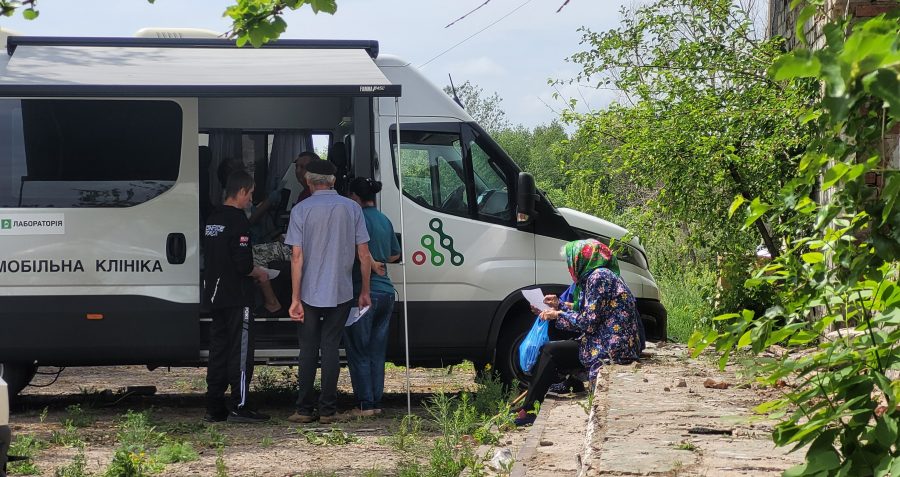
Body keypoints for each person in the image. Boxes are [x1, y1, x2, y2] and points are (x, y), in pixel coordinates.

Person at [515, 239, 643, 426]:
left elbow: (588, 322)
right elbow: (588, 310)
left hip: (611, 347)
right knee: (555, 347)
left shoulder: (598, 278)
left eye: (570, 262)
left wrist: (557, 315)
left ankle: (529, 410)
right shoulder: (599, 275)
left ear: (581, 260)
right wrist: (558, 305)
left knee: (550, 351)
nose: (569, 268)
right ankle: (534, 404)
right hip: (608, 340)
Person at [284, 159, 373, 424]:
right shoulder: (352, 208)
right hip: (341, 290)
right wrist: (365, 290)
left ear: (308, 181)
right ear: (333, 181)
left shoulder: (300, 210)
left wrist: (295, 298)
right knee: (331, 346)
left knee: (308, 348)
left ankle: (303, 409)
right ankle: (328, 410)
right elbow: (364, 254)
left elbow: (296, 257)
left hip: (309, 292)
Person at [202, 170, 270, 424]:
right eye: (250, 193)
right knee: (240, 352)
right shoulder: (238, 221)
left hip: (215, 294)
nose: (251, 198)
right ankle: (240, 404)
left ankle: (214, 405)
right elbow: (243, 264)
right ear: (241, 192)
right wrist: (259, 273)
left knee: (218, 350)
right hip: (237, 296)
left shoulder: (213, 218)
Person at [344, 177, 401, 417]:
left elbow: (356, 252)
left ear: (354, 197)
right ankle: (376, 402)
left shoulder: (357, 219)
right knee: (377, 352)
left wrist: (369, 261)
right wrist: (379, 260)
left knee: (359, 350)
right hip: (387, 292)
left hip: (363, 292)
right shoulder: (384, 219)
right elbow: (395, 254)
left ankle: (364, 404)